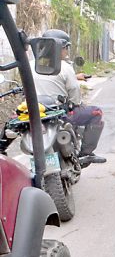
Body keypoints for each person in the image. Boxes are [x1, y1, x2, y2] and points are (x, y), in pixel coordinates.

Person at [34, 29, 107, 164]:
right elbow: (74, 91)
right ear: (59, 48)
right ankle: (86, 153)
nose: (67, 51)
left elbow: (52, 80)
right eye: (66, 48)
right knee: (96, 112)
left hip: (36, 114)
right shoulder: (64, 66)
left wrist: (75, 77)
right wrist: (76, 103)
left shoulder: (34, 64)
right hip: (60, 114)